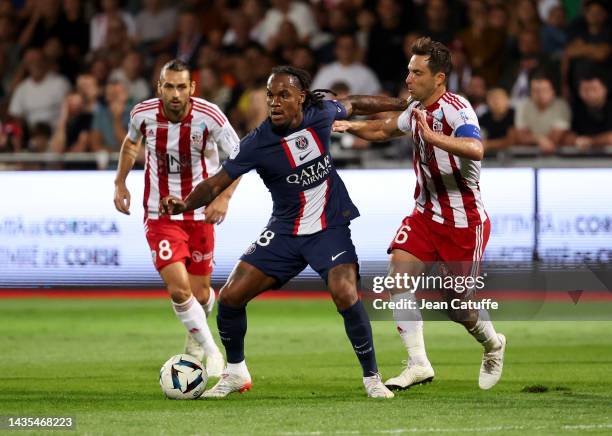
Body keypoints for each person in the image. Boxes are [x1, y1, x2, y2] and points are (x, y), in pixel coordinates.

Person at [160, 66, 409, 399]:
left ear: (301, 98)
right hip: (285, 231)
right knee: (231, 297)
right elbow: (216, 182)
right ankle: (235, 372)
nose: (274, 102)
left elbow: (357, 103)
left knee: (345, 292)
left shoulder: (320, 113)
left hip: (328, 227)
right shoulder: (256, 143)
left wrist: (400, 102)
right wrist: (184, 204)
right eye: (270, 95)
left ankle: (372, 377)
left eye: (283, 95)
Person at [333, 37, 506, 391]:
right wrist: (350, 127)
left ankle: (493, 344)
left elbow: (476, 148)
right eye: (408, 71)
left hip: (464, 222)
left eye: (417, 72)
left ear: (439, 78)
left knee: (457, 307)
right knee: (398, 275)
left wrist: (435, 137)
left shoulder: (458, 109)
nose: (408, 78)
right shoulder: (414, 109)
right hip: (425, 215)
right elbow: (383, 129)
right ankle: (418, 363)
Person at [113, 59, 241, 377]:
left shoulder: (209, 116)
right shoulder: (142, 114)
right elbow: (131, 144)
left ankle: (195, 336)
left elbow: (240, 156)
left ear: (191, 89)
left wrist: (223, 197)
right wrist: (120, 181)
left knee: (199, 294)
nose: (174, 93)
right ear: (159, 87)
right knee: (179, 291)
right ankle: (212, 354)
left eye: (181, 86)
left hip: (199, 213)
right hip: (160, 214)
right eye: (168, 86)